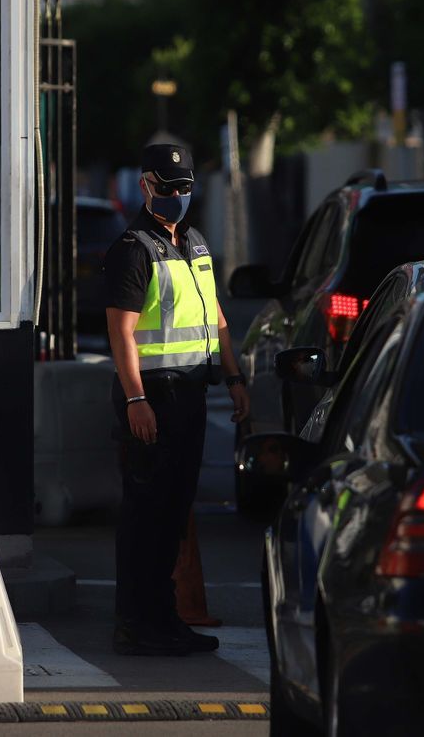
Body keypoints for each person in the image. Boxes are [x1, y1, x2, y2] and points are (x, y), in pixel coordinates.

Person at [102, 142, 250, 656]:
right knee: (145, 515)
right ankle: (136, 624)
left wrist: (234, 379)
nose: (178, 197)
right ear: (146, 187)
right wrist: (133, 399)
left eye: (186, 188)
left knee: (172, 515)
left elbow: (218, 319)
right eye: (169, 189)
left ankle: (164, 619)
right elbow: (121, 334)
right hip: (153, 399)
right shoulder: (133, 248)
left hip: (189, 393)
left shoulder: (197, 246)